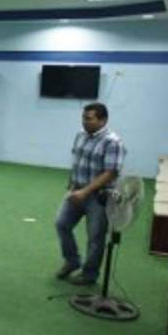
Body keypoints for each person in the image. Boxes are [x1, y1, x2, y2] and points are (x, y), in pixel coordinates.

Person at [54, 102, 126, 285]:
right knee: (62, 224)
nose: (84, 122)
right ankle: (72, 261)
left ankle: (89, 274)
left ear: (103, 120)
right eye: (83, 118)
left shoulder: (113, 142)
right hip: (77, 191)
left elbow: (111, 172)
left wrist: (85, 192)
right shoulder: (80, 135)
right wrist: (72, 185)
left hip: (98, 197)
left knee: (95, 237)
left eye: (89, 119)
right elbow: (77, 160)